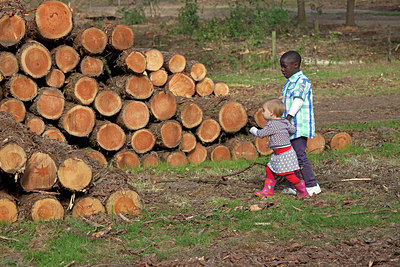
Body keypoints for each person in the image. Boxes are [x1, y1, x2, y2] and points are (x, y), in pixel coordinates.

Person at [279, 50, 321, 196]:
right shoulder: (289, 83)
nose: (282, 70)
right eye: (281, 67)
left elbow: (298, 100)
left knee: (299, 155)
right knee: (290, 156)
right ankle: (294, 185)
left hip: (298, 125)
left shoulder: (302, 81)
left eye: (285, 67)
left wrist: (288, 117)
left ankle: (312, 185)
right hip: (289, 127)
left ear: (295, 65)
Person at [249, 98, 308, 198]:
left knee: (290, 175)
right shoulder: (284, 121)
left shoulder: (272, 124)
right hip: (283, 152)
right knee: (269, 169)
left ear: (271, 113)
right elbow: (293, 130)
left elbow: (261, 134)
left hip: (283, 154)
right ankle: (268, 190)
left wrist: (253, 129)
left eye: (264, 110)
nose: (262, 113)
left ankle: (303, 191)